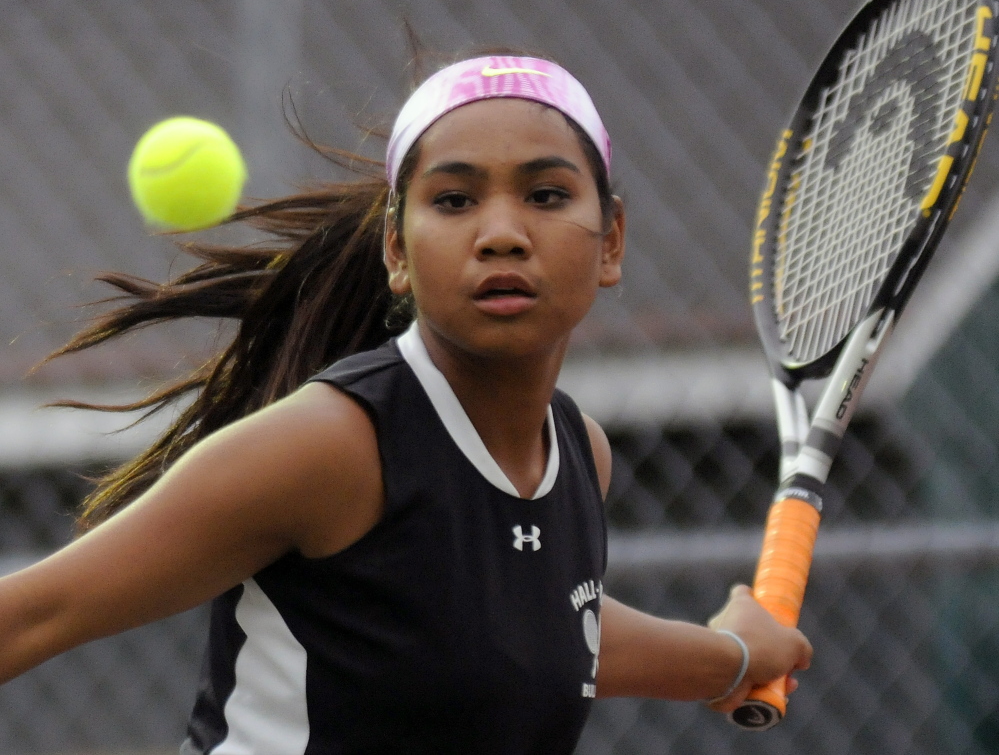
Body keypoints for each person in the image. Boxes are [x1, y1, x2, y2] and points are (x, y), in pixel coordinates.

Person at [0, 52, 811, 754]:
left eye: (546, 195)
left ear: (611, 242)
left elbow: (550, 634)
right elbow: (37, 614)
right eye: (454, 201)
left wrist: (731, 659)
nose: (501, 232)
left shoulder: (576, 454)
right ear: (397, 249)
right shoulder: (329, 447)